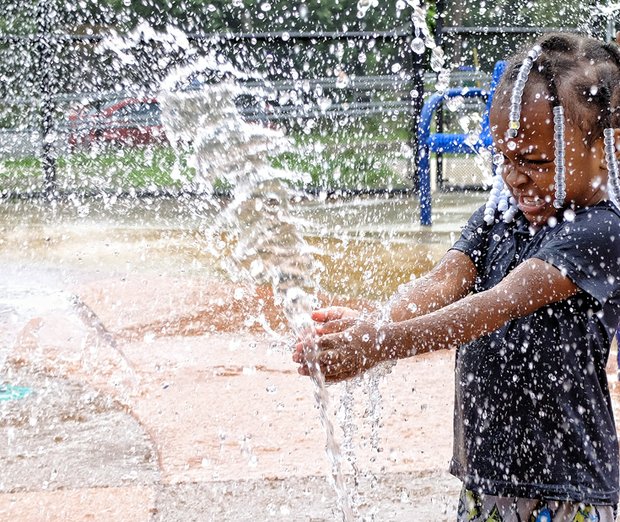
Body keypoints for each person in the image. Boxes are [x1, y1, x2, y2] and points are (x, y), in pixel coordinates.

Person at [293, 33, 620, 521]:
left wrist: (381, 342)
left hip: (568, 488)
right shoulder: (499, 215)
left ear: (608, 142)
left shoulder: (600, 230)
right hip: (484, 478)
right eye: (504, 158)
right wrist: (372, 322)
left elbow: (499, 303)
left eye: (535, 162)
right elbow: (444, 282)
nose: (515, 177)